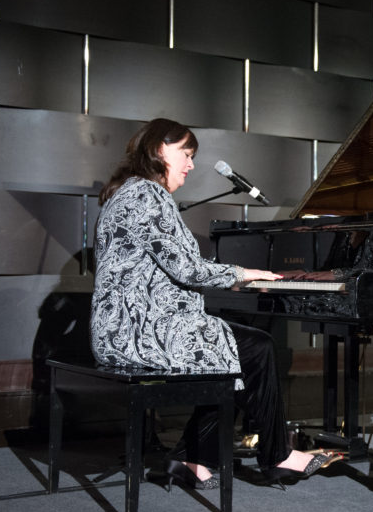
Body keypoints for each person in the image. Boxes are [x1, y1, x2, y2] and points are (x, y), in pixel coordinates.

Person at [90, 118, 338, 488]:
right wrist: (243, 274)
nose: (190, 165)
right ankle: (278, 457)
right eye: (185, 155)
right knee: (254, 347)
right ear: (160, 150)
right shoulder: (147, 194)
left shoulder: (126, 193)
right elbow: (186, 268)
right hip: (139, 333)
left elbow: (169, 269)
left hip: (123, 329)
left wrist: (232, 277)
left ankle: (191, 459)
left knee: (228, 351)